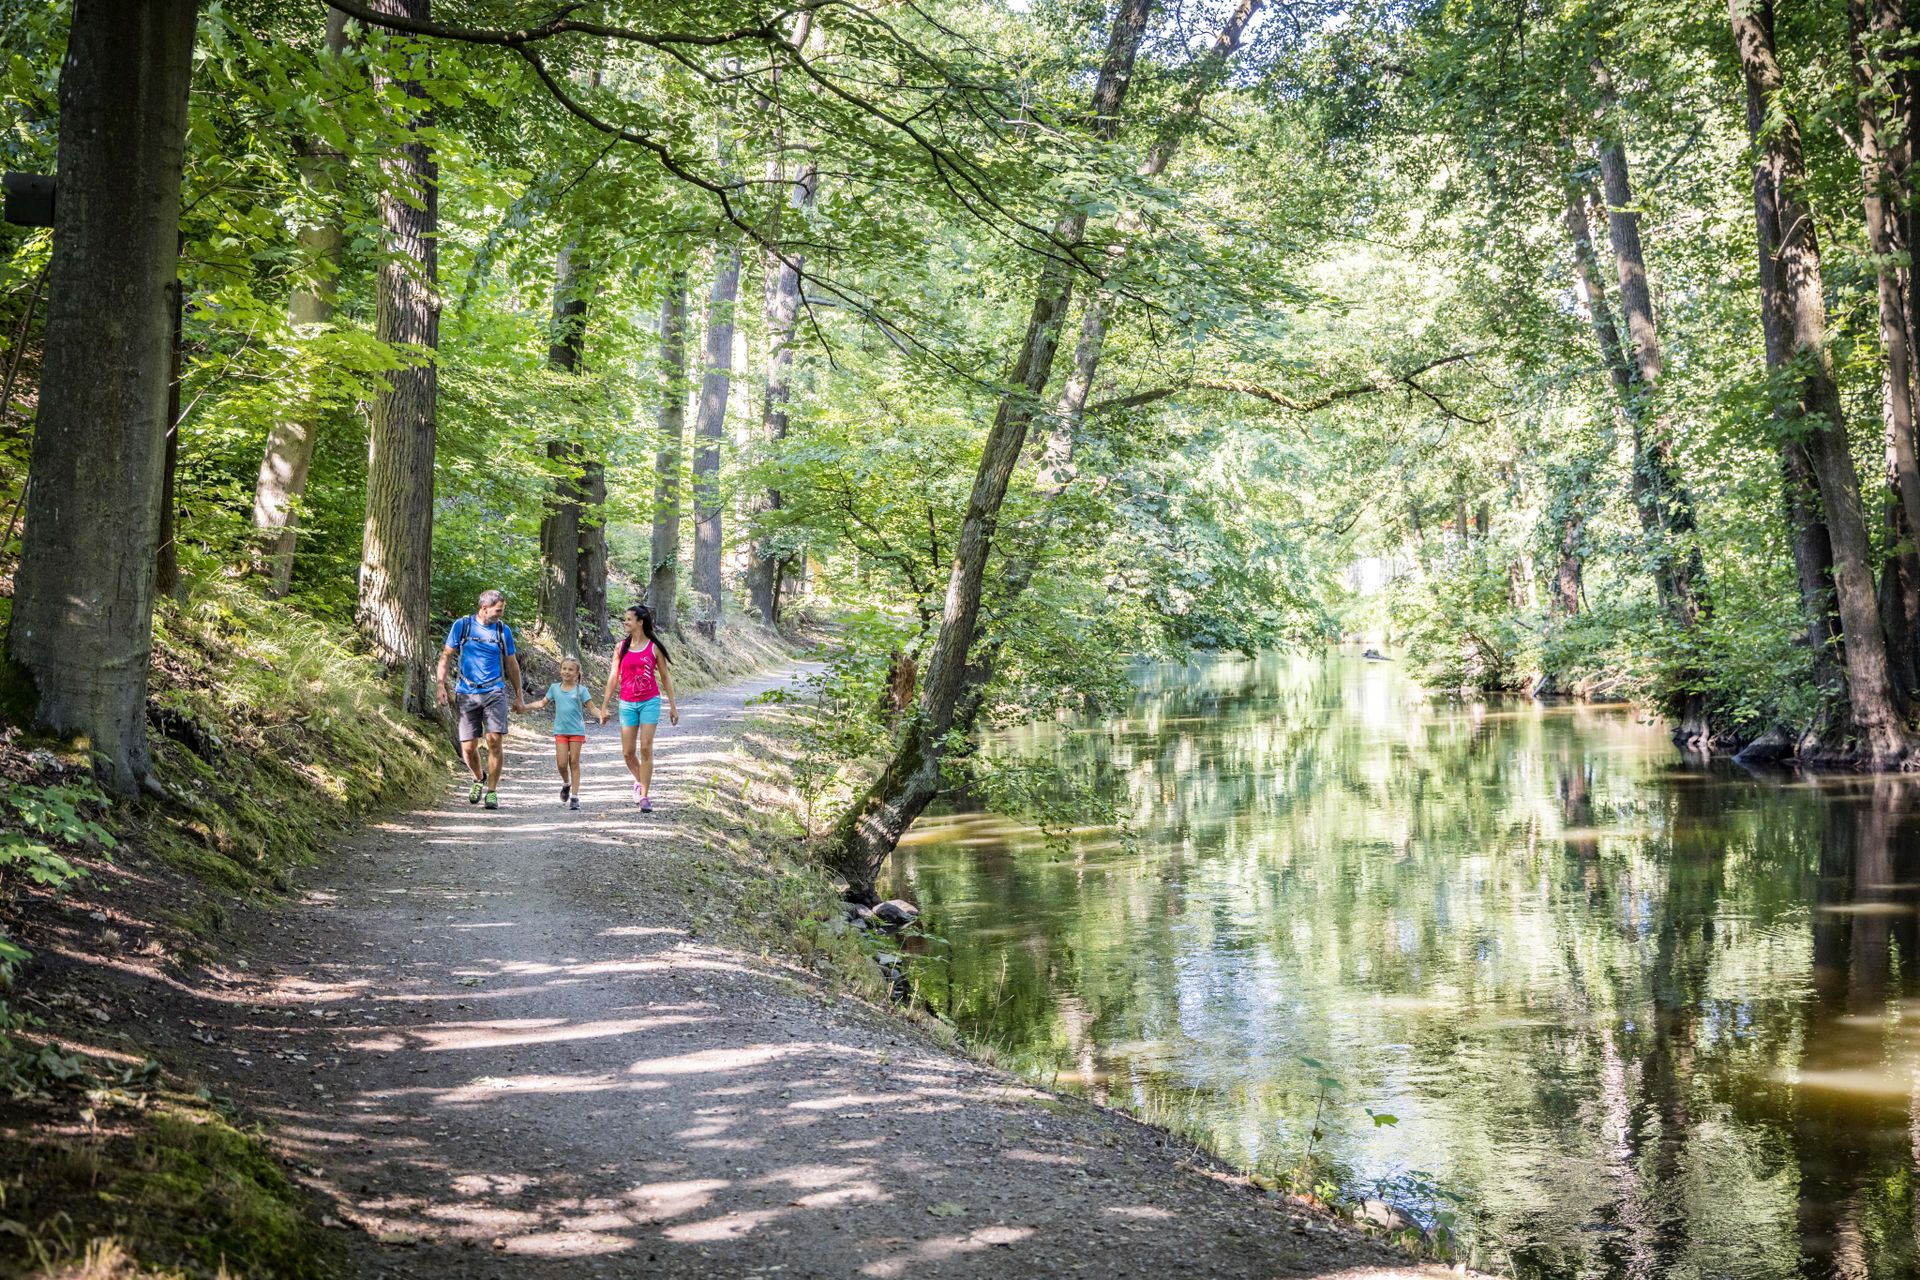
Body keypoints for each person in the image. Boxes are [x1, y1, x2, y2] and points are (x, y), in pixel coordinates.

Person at [435, 589, 525, 810]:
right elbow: (446, 656)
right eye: (498, 610)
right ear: (484, 608)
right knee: (467, 747)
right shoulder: (462, 626)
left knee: (494, 739)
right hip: (466, 692)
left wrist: (519, 695)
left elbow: (512, 664)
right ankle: (478, 778)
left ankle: (492, 792)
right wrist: (440, 685)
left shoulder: (503, 631)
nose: (500, 615)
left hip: (495, 691)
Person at [598, 603, 679, 811]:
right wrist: (604, 706)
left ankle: (644, 797)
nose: (625, 622)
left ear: (640, 622)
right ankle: (640, 780)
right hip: (627, 703)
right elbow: (613, 677)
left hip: (650, 701)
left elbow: (665, 677)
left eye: (629, 619)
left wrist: (672, 705)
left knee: (645, 747)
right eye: (624, 619)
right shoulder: (620, 647)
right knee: (627, 752)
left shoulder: (653, 647)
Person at [526, 657, 600, 811]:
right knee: (561, 763)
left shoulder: (581, 690)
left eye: (570, 669)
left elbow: (592, 708)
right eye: (564, 668)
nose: (567, 672)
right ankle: (566, 783)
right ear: (560, 670)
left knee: (574, 761)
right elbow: (541, 703)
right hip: (560, 731)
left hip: (576, 731)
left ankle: (575, 796)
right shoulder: (554, 688)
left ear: (577, 673)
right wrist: (524, 707)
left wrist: (601, 714)